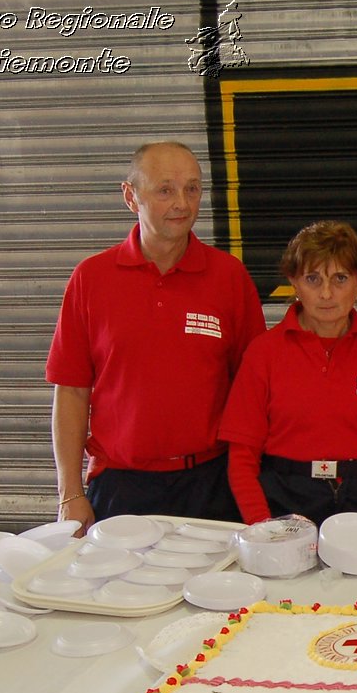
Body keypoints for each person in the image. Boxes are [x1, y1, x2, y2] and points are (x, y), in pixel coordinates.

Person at [47, 141, 265, 530]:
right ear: (131, 196)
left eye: (192, 188)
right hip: (121, 487)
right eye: (165, 190)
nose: (182, 202)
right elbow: (72, 392)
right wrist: (70, 495)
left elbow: (252, 391)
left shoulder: (229, 278)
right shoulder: (91, 279)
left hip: (212, 484)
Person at [218, 221, 357, 544]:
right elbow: (242, 458)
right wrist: (263, 530)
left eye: (340, 278)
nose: (326, 293)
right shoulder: (263, 354)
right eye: (313, 279)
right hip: (286, 502)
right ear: (295, 283)